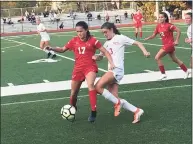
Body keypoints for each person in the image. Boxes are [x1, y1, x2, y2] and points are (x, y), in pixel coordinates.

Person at [46, 21, 115, 122]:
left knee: (91, 85)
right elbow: (62, 49)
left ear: (86, 30)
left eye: (81, 31)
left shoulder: (93, 41)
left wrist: (111, 63)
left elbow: (105, 52)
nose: (79, 33)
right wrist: (51, 48)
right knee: (73, 94)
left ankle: (93, 112)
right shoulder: (74, 41)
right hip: (78, 69)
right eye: (77, 31)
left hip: (90, 67)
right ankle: (73, 108)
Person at [92, 22, 150, 123]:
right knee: (114, 97)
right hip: (112, 70)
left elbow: (138, 43)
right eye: (103, 33)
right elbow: (101, 57)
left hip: (117, 69)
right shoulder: (106, 43)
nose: (105, 34)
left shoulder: (120, 38)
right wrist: (95, 57)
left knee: (97, 87)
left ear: (111, 29)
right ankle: (136, 111)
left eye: (106, 32)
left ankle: (118, 103)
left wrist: (145, 51)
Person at [144, 12, 190, 80]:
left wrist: (177, 40)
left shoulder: (169, 25)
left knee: (157, 57)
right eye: (159, 17)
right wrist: (148, 38)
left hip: (169, 44)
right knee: (175, 59)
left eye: (162, 17)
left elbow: (178, 30)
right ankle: (186, 71)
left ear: (165, 18)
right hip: (166, 45)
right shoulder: (158, 26)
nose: (160, 18)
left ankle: (163, 74)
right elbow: (154, 35)